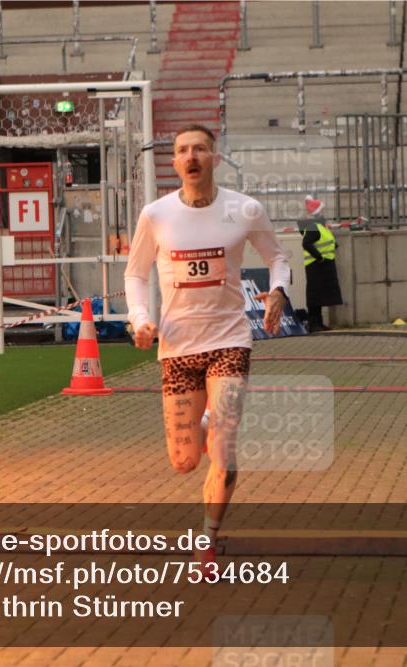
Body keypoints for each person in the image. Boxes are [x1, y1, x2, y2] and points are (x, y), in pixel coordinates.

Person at [124, 124, 291, 577]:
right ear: (174, 162)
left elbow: (278, 257)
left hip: (230, 339)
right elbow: (135, 275)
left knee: (225, 449)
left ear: (215, 157)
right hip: (178, 345)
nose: (191, 155)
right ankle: (203, 419)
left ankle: (206, 543)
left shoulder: (244, 208)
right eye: (182, 150)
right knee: (184, 462)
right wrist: (140, 320)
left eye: (200, 148)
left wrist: (277, 291)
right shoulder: (156, 215)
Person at [299, 195, 343, 333]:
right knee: (315, 295)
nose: (323, 213)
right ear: (317, 212)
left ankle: (318, 323)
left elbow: (326, 241)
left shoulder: (320, 226)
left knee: (320, 295)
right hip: (316, 265)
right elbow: (306, 244)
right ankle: (314, 324)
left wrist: (333, 246)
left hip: (322, 265)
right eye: (321, 210)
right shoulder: (314, 226)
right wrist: (319, 258)